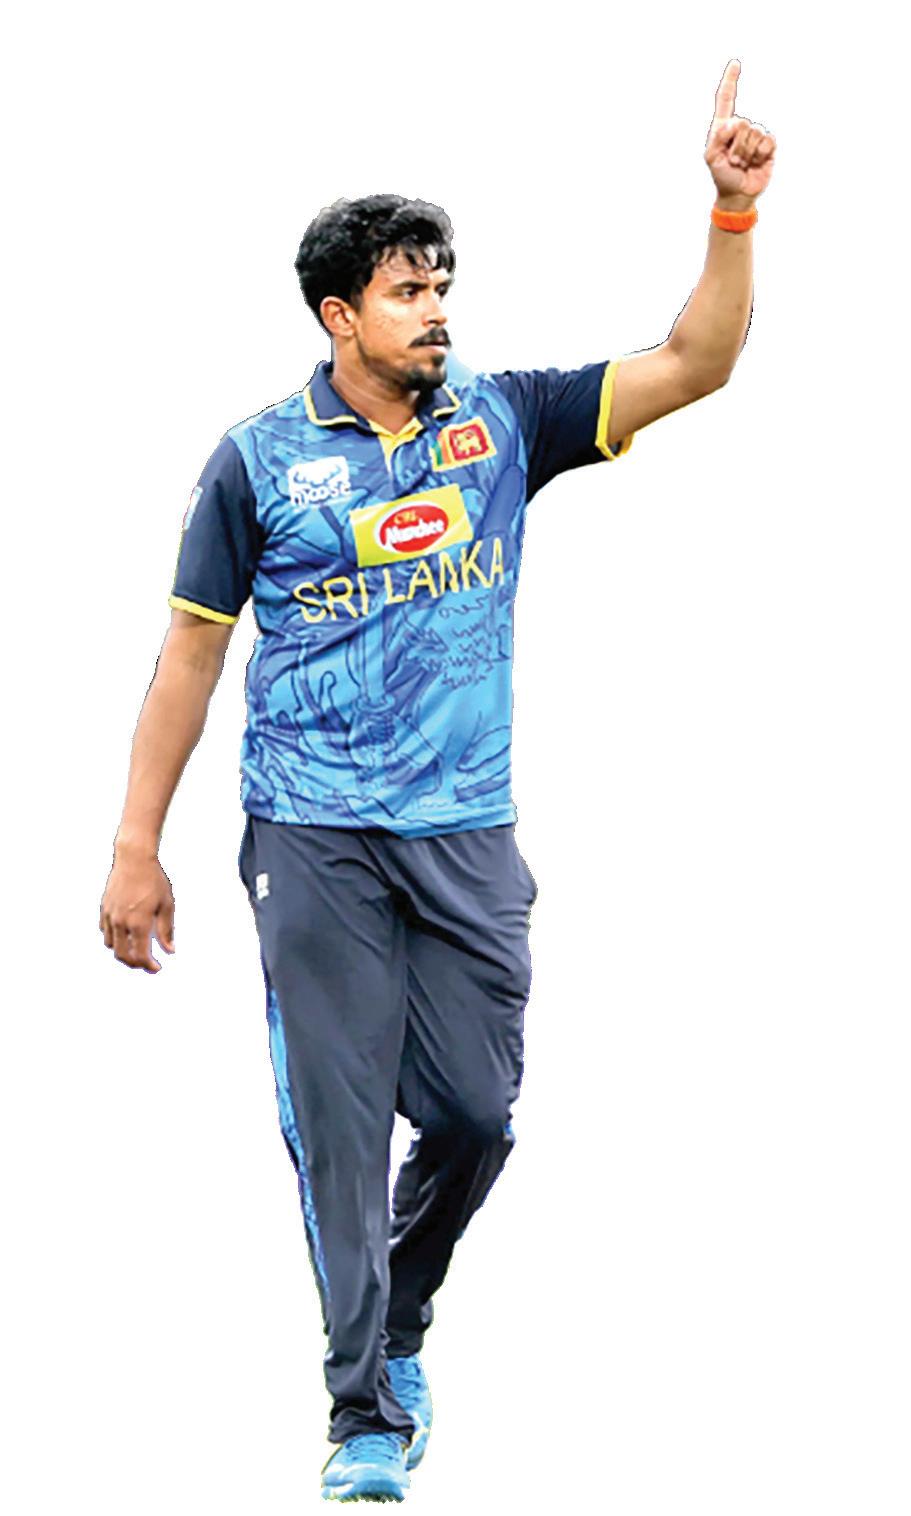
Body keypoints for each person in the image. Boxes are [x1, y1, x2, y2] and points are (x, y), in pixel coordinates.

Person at [99, 58, 775, 1506]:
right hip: (313, 831)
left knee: (475, 1115)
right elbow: (188, 658)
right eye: (408, 291)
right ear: (338, 315)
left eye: (443, 285)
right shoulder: (257, 463)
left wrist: (730, 216)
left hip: (466, 829)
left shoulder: (503, 422)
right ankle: (361, 1412)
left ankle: (400, 1316)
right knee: (341, 1131)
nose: (438, 309)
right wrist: (136, 846)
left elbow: (696, 361)